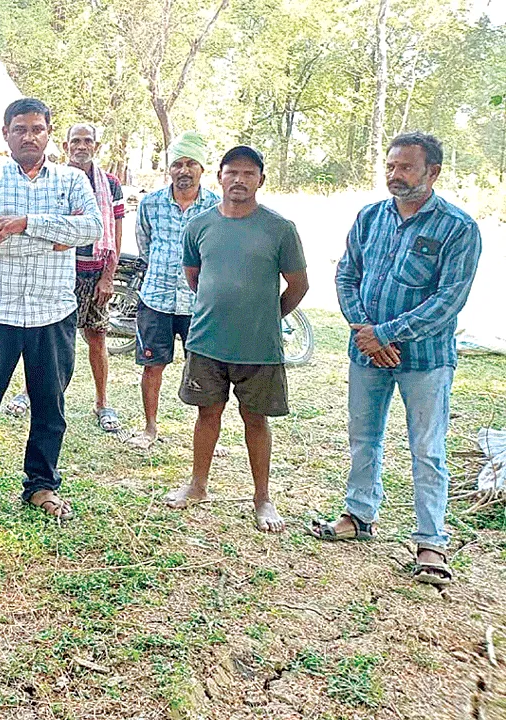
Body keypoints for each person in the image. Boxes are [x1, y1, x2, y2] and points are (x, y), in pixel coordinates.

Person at [312, 132, 482, 586]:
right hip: (365, 352)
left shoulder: (458, 227)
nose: (395, 174)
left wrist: (386, 334)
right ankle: (359, 515)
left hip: (425, 359)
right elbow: (347, 275)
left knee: (427, 449)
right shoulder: (370, 218)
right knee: (362, 436)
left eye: (406, 167)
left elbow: (449, 300)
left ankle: (431, 542)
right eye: (391, 166)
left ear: (433, 172)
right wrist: (365, 331)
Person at [0, 98, 103, 525]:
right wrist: (55, 233)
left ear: (49, 132)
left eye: (37, 128)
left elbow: (91, 229)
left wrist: (20, 222)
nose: (29, 136)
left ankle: (41, 485)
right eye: (20, 129)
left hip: (52, 312)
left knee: (50, 405)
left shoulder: (72, 180)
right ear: (5, 133)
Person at [164, 146, 309, 533]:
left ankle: (262, 497)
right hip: (207, 341)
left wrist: (266, 316)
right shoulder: (199, 227)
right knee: (206, 413)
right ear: (220, 177)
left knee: (255, 419)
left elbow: (298, 285)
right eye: (232, 173)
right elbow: (195, 277)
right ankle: (197, 485)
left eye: (249, 174)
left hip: (259, 347)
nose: (240, 181)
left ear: (261, 180)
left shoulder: (280, 229)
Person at [6, 123, 125, 432]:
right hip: (59, 271)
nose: (81, 146)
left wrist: (108, 277)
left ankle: (102, 402)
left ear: (96, 146)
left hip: (95, 271)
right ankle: (29, 393)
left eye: (87, 141)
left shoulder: (110, 185)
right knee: (44, 337)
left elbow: (115, 232)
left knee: (96, 337)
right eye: (76, 141)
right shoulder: (55, 180)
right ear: (66, 144)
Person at [125, 131, 219, 451]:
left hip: (199, 303)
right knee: (153, 366)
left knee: (205, 370)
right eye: (177, 164)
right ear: (169, 169)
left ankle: (206, 433)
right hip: (156, 298)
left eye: (190, 163)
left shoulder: (216, 207)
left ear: (202, 169)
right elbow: (145, 247)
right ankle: (150, 428)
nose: (183, 170)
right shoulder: (150, 204)